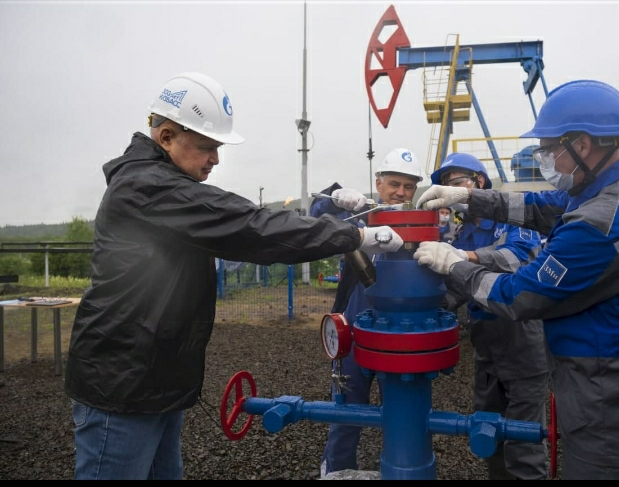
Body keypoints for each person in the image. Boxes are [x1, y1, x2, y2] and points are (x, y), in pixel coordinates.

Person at [64, 72, 405, 481]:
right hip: (121, 385)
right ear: (167, 136)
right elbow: (253, 227)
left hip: (151, 379)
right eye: (207, 146)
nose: (215, 158)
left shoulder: (162, 184)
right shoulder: (149, 188)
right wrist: (358, 235)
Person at [413, 79, 619, 480]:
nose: (545, 159)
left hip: (611, 388)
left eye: (550, 149)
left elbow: (519, 295)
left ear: (582, 145)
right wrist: (468, 197)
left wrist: (455, 265)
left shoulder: (598, 224)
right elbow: (540, 206)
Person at [430, 152, 549, 480]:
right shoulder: (462, 232)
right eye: (445, 186)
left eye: (456, 183)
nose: (450, 191)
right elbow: (458, 289)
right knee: (488, 433)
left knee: (524, 442)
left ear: (479, 182)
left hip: (522, 343)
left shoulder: (513, 219)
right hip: (486, 349)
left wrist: (463, 257)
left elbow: (519, 259)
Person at [309, 147, 423, 477]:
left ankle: (402, 468)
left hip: (399, 340)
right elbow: (316, 217)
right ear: (378, 182)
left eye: (409, 186)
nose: (400, 192)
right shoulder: (360, 221)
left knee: (402, 418)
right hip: (354, 336)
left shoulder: (421, 229)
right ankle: (337, 470)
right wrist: (335, 199)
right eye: (394, 184)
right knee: (345, 415)